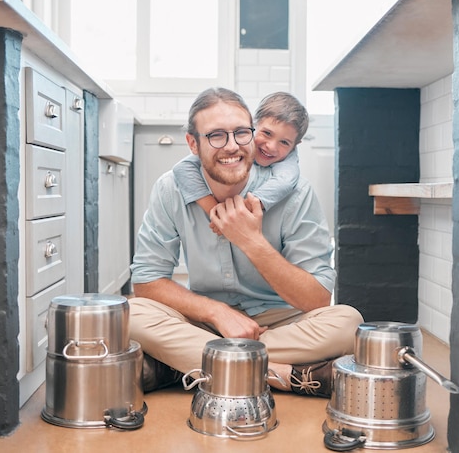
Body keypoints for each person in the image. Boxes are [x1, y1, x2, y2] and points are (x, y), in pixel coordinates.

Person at [128, 87, 363, 397]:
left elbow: (317, 299)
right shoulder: (171, 188)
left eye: (241, 133)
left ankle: (179, 365)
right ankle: (282, 375)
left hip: (279, 322)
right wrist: (215, 312)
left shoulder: (296, 193)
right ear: (192, 144)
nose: (232, 146)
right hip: (203, 321)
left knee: (349, 324)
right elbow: (146, 280)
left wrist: (252, 241)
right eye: (216, 136)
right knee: (129, 314)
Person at [172, 91, 306, 218]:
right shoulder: (240, 142)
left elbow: (285, 181)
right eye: (267, 133)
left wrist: (247, 208)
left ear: (295, 145)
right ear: (254, 125)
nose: (271, 146)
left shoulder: (288, 163)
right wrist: (213, 210)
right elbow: (182, 168)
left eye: (284, 142)